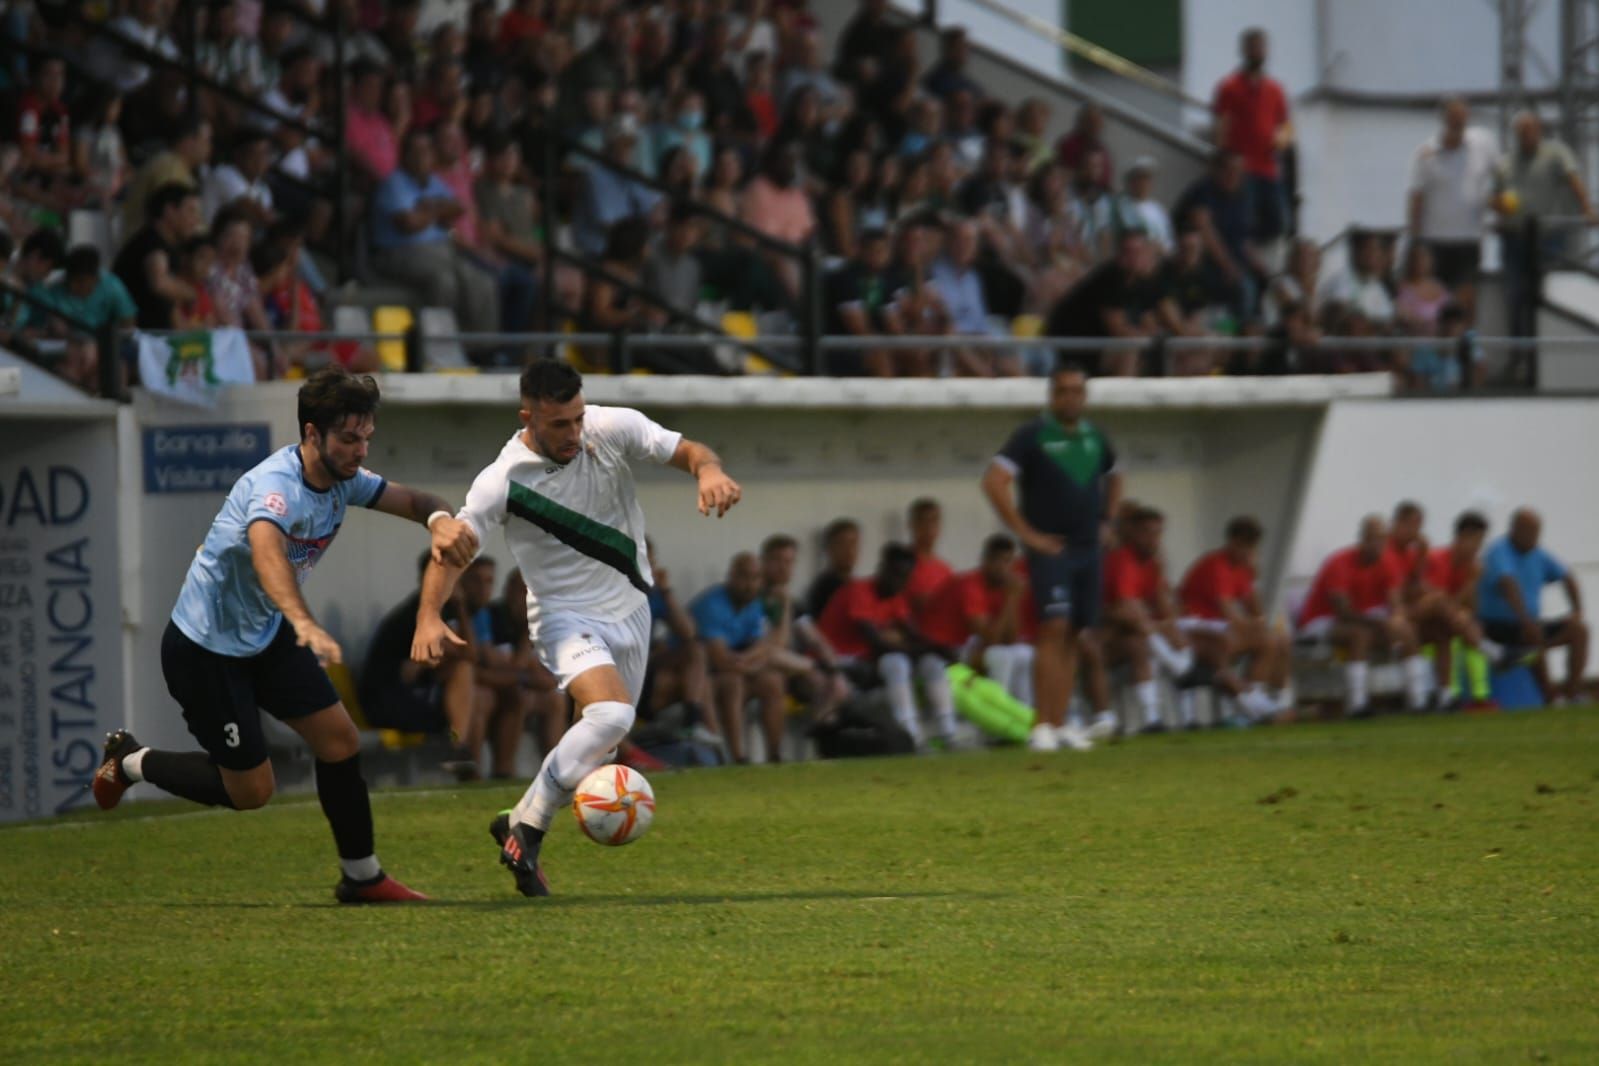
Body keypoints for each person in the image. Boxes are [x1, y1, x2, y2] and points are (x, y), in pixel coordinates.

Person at [92, 368, 480, 902]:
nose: (360, 450)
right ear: (311, 433)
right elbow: (267, 554)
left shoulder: (346, 479)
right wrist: (302, 623)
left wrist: (438, 518)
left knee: (339, 741)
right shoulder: (274, 488)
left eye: (366, 437)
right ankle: (131, 761)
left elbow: (413, 500)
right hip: (206, 651)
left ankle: (362, 876)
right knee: (252, 791)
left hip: (266, 636)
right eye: (349, 438)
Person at [411, 360, 743, 897]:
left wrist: (708, 471)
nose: (573, 432)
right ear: (529, 417)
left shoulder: (610, 428)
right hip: (565, 616)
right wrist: (429, 615)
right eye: (559, 424)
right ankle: (530, 825)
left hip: (632, 608)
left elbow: (686, 450)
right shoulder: (502, 481)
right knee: (611, 714)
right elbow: (453, 552)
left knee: (599, 749)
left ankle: (515, 818)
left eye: (577, 418)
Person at [981, 364, 1120, 752]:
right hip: (1053, 548)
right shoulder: (1032, 436)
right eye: (1063, 391)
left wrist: (1107, 519)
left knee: (1075, 631)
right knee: (1053, 626)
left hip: (1087, 548)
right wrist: (1027, 534)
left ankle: (1059, 723)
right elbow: (994, 481)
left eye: (1077, 391)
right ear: (1051, 395)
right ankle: (1041, 723)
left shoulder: (1096, 436)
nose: (1071, 398)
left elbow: (1116, 475)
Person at [361, 552, 493, 778]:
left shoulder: (447, 610)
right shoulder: (416, 615)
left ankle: (467, 767)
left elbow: (470, 654)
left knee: (478, 697)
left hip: (413, 695)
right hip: (387, 702)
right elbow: (465, 656)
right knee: (465, 676)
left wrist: (460, 608)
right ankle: (458, 750)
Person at [817, 543, 959, 748]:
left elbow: (913, 635)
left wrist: (940, 649)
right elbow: (876, 643)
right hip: (838, 662)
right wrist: (922, 649)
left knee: (932, 662)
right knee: (896, 661)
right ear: (882, 569)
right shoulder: (860, 591)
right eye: (896, 574)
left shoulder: (895, 597)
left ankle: (948, 731)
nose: (900, 581)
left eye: (905, 577)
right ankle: (911, 734)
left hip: (866, 663)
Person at [1296, 515, 1431, 717]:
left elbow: (1395, 603)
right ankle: (1357, 704)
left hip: (1362, 618)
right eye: (1372, 539)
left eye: (1381, 539)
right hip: (1320, 619)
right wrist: (1380, 622)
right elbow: (1343, 612)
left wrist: (1396, 620)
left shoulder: (1386, 562)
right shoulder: (1339, 562)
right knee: (1360, 634)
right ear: (1362, 539)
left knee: (1404, 629)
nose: (1377, 544)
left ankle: (1418, 700)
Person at [369, 127, 499, 335]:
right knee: (444, 280)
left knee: (482, 282)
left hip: (439, 251)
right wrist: (438, 210)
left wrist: (427, 209)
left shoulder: (432, 181)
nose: (423, 156)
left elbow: (459, 206)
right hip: (400, 253)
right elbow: (409, 224)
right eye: (417, 151)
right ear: (404, 155)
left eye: (427, 150)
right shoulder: (394, 183)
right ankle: (435, 344)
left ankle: (480, 347)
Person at [1177, 515, 1293, 722]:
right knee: (1266, 637)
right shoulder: (1215, 564)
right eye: (1243, 545)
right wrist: (1257, 628)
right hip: (1195, 626)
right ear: (1232, 541)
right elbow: (1229, 611)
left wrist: (1254, 578)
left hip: (1218, 628)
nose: (1247, 551)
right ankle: (1255, 707)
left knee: (1279, 639)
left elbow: (1256, 612)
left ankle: (1263, 702)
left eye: (1251, 547)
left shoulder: (1241, 568)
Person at [1098, 505, 1201, 734]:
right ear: (1132, 533)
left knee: (1175, 636)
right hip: (1103, 638)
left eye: (1158, 533)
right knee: (1138, 637)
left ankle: (1189, 718)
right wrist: (1157, 626)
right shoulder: (1121, 559)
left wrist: (1168, 626)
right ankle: (1173, 680)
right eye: (1147, 532)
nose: (1154, 539)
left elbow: (1163, 607)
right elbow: (1125, 606)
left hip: (1132, 632)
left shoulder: (1153, 563)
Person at [1496, 111, 1598, 339]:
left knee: (1549, 292)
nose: (1526, 136)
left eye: (1530, 130)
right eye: (1521, 132)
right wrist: (1498, 207)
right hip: (1515, 239)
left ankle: (1546, 348)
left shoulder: (1555, 153)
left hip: (1548, 238)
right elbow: (1494, 197)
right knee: (1516, 296)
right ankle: (1521, 352)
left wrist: (1587, 209)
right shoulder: (1505, 163)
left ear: (1539, 131)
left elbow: (1573, 179)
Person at [1477, 508, 1589, 705]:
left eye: (1537, 533)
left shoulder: (1538, 554)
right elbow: (1507, 584)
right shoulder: (1499, 551)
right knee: (1533, 633)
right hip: (1498, 627)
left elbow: (1567, 577)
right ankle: (1550, 696)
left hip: (1528, 623)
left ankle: (1573, 693)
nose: (1534, 538)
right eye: (1530, 532)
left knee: (1579, 630)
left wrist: (1577, 610)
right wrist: (1525, 620)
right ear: (1515, 529)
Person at [691, 552, 788, 764]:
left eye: (755, 578)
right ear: (731, 576)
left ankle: (775, 756)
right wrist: (751, 663)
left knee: (773, 681)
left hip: (738, 666)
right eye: (744, 577)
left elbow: (761, 646)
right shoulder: (712, 603)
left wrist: (749, 660)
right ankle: (737, 757)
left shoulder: (754, 603)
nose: (749, 584)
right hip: (704, 677)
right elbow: (719, 660)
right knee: (734, 683)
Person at [919, 534, 1035, 707]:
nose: (1005, 568)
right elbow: (991, 640)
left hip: (969, 646)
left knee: (1025, 653)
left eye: (1009, 562)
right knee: (1000, 656)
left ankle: (1026, 712)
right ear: (986, 561)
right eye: (1000, 561)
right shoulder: (971, 585)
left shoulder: (1003, 587)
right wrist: (1011, 599)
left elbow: (1010, 638)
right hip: (943, 651)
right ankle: (996, 713)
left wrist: (1013, 601)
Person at [1407, 97, 1496, 319]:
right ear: (1444, 120)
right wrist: (1415, 240)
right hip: (1434, 240)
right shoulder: (1426, 153)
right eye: (1454, 118)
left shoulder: (1483, 143)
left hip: (1468, 239)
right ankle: (1441, 352)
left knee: (1466, 301)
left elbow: (1501, 176)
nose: (1459, 123)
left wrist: (1497, 201)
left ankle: (1468, 348)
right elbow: (1416, 196)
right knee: (1436, 304)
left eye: (1462, 118)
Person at [1043, 230, 1171, 377]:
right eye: (1128, 252)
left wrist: (1152, 334)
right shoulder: (1110, 279)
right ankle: (1122, 396)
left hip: (1099, 344)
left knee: (1155, 347)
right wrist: (1147, 336)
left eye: (1138, 252)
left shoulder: (1142, 281)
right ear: (1119, 255)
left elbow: (1150, 321)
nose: (1133, 258)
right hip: (1074, 343)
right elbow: (1118, 329)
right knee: (1129, 348)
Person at [1212, 28, 1291, 248]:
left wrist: (1282, 141)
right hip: (1241, 168)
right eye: (1253, 47)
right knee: (1244, 220)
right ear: (1244, 50)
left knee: (1277, 222)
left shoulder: (1275, 89)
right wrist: (1221, 159)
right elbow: (1221, 124)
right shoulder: (1229, 86)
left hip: (1268, 167)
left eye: (1261, 47)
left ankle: (1259, 258)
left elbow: (1285, 124)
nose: (1258, 52)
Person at [1419, 511, 1498, 708]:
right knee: (1455, 633)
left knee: (1471, 628)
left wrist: (1472, 585)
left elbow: (1470, 608)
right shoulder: (1437, 560)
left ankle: (1481, 698)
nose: (1479, 548)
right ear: (1463, 537)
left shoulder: (1469, 566)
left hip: (1450, 625)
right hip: (1425, 627)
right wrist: (1470, 583)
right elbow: (1440, 605)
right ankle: (1449, 696)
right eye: (1477, 541)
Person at [113, 182, 203, 330]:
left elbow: (169, 308)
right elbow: (159, 282)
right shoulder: (152, 243)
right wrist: (190, 294)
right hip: (134, 341)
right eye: (190, 211)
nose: (196, 221)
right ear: (169, 211)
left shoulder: (169, 247)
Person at [904, 498, 954, 615]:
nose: (929, 527)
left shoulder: (945, 570)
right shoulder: (900, 564)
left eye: (934, 521)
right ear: (911, 525)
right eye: (924, 521)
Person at [807, 518, 861, 620]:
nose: (850, 550)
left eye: (853, 543)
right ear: (829, 548)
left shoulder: (857, 585)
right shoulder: (823, 589)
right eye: (843, 544)